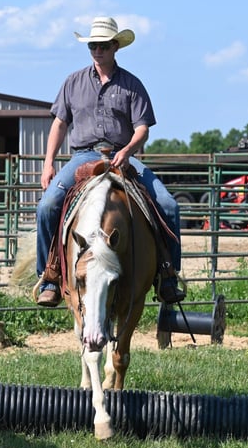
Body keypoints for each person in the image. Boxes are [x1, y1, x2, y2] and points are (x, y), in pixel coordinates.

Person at [35, 16, 184, 307]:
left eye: (103, 45)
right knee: (48, 205)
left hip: (122, 154)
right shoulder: (73, 82)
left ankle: (168, 274)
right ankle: (50, 276)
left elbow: (142, 128)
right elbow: (59, 123)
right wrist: (48, 162)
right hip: (83, 156)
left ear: (115, 46)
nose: (97, 50)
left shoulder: (132, 84)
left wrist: (127, 150)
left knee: (169, 205)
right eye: (93, 45)